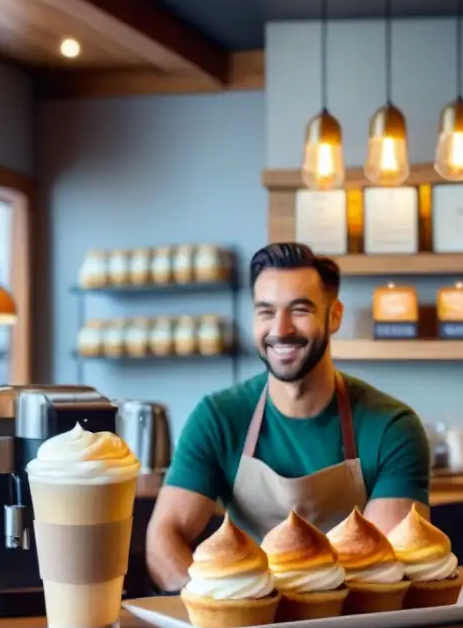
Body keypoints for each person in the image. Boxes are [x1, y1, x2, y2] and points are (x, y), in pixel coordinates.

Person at [146, 242, 431, 592]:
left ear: (335, 315)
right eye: (266, 311)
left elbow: (381, 570)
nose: (280, 329)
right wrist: (213, 603)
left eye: (299, 310)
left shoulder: (391, 427)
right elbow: (163, 540)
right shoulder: (218, 418)